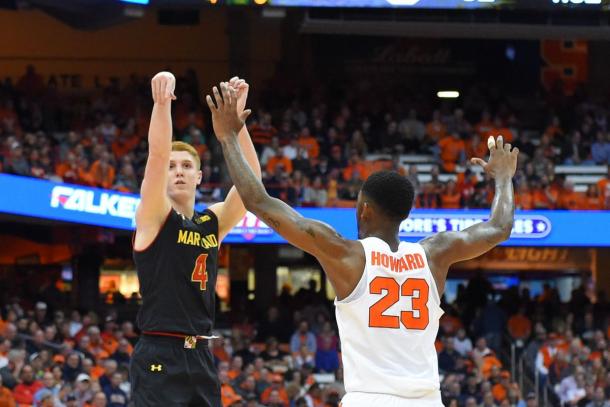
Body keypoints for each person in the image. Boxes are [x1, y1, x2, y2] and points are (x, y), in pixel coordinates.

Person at [207, 83, 518, 406]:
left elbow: (259, 202)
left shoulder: (347, 253)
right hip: (426, 399)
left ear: (364, 209)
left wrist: (228, 137)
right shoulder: (434, 254)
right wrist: (504, 178)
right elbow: (499, 227)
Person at [130, 73, 261, 406]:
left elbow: (252, 187)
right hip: (160, 351)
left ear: (199, 176)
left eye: (187, 165)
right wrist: (161, 105)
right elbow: (157, 154)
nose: (178, 171)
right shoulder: (154, 215)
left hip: (201, 352)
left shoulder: (210, 223)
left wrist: (235, 127)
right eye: (173, 166)